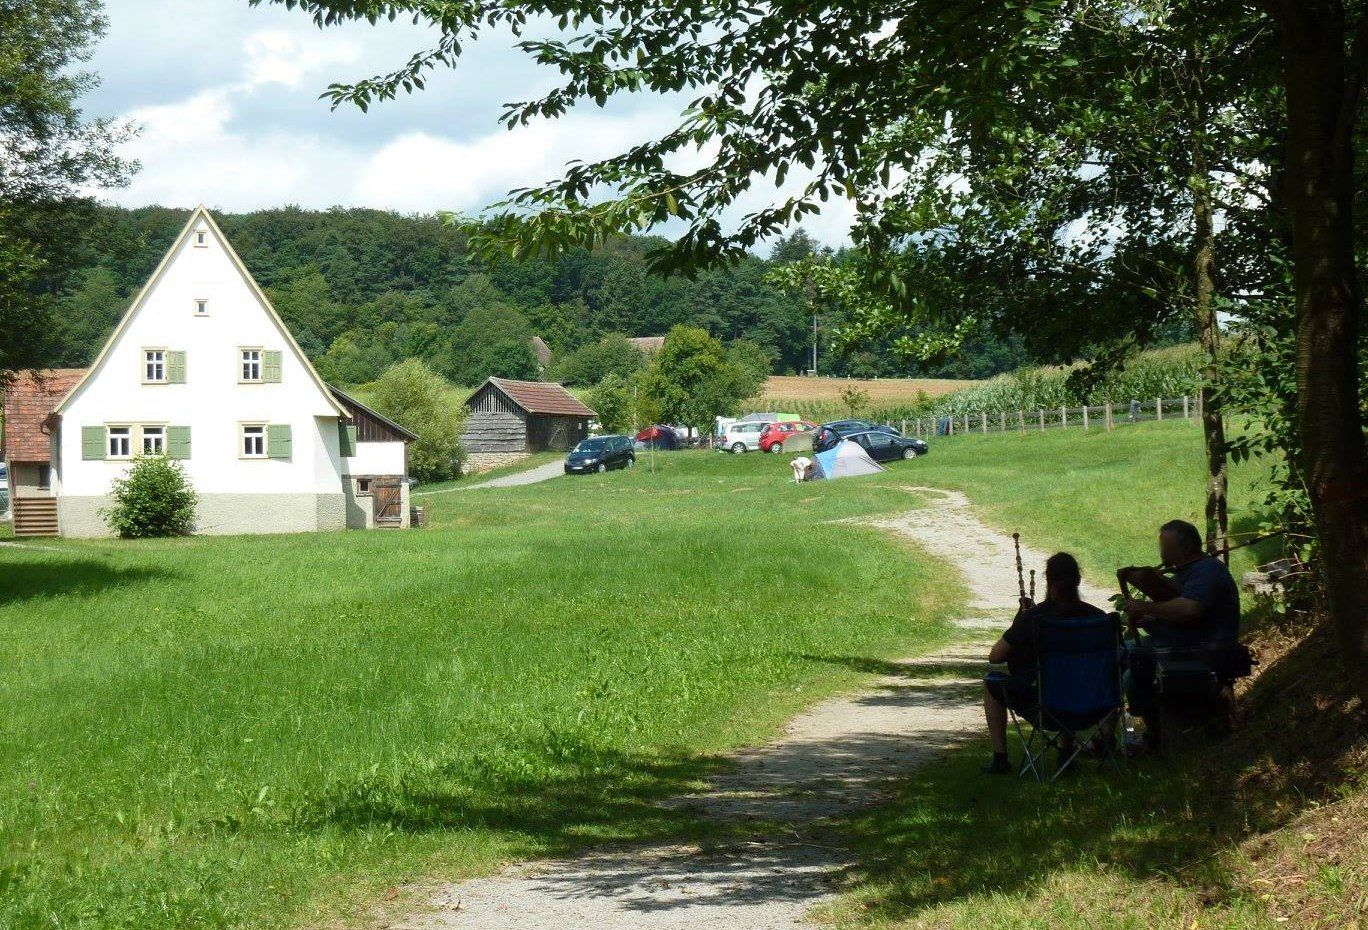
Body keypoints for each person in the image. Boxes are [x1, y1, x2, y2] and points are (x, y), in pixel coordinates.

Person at [1118, 519, 1241, 750]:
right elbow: (1174, 612)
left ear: (1184, 548)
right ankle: (1125, 734)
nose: (1161, 552)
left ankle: (1155, 735)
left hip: (1202, 650)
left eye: (1165, 547)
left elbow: (1189, 609)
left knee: (1133, 670)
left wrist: (1146, 608)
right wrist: (1151, 621)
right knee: (1119, 652)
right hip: (1181, 643)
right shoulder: (1183, 573)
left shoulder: (1208, 570)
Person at [982, 552, 1108, 774]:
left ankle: (1000, 759)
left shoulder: (1034, 618)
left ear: (1048, 581)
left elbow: (996, 657)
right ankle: (1066, 753)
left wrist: (1018, 622)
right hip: (1094, 706)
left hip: (1046, 708)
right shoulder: (1098, 618)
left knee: (992, 684)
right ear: (1078, 580)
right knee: (1070, 680)